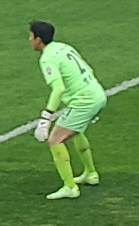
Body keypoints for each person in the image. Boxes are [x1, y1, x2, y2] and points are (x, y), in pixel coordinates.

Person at [29, 21, 107, 200]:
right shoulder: (64, 47)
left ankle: (70, 187)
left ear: (38, 39)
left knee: (55, 140)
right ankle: (90, 173)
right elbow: (88, 69)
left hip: (84, 101)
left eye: (31, 36)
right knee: (76, 130)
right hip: (97, 94)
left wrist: (46, 118)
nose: (29, 39)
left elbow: (58, 89)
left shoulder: (47, 58)